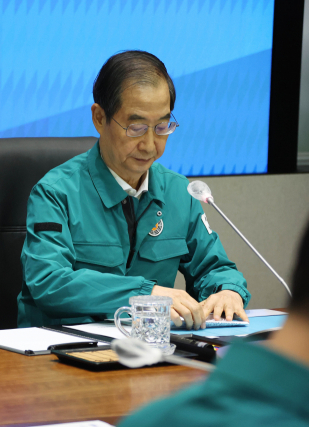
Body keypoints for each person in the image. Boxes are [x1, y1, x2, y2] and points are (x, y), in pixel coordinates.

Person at [17, 51, 249, 329]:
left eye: (162, 126)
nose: (151, 145)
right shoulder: (55, 193)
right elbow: (49, 281)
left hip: (151, 349)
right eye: (137, 127)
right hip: (60, 351)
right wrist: (144, 294)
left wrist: (228, 291)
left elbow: (215, 268)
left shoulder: (178, 192)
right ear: (100, 118)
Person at [119, 220, 309, 427]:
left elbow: (213, 264)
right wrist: (147, 292)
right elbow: (75, 283)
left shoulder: (154, 419)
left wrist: (228, 288)